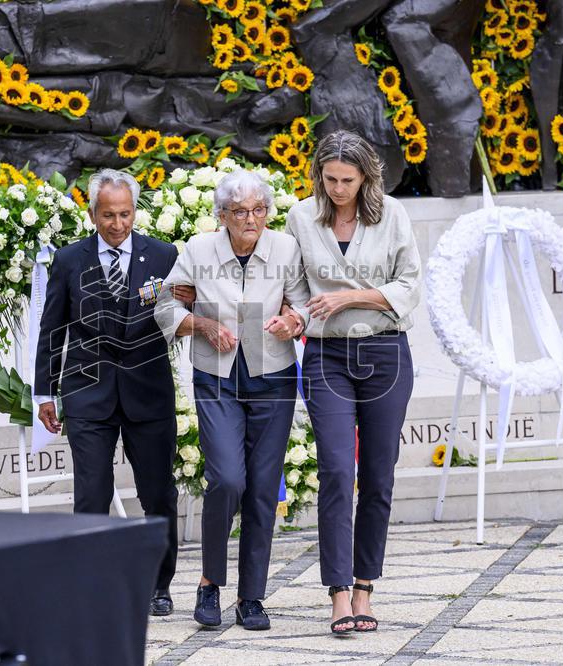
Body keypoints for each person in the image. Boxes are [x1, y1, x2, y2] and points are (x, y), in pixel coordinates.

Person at [154, 170, 310, 631]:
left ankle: (251, 597)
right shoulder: (199, 251)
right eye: (239, 211)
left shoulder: (284, 248)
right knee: (226, 479)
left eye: (258, 210)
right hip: (217, 380)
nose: (250, 220)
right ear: (221, 215)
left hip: (273, 379)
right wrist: (201, 326)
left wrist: (292, 321)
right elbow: (167, 305)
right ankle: (209, 582)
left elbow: (300, 302)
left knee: (263, 488)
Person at [283, 129, 421, 634]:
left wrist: (349, 297)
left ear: (366, 177)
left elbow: (409, 285)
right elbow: (297, 291)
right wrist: (293, 320)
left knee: (379, 475)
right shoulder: (301, 216)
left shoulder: (393, 215)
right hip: (326, 357)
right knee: (338, 471)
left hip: (386, 353)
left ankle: (365, 587)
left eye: (347, 180)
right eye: (330, 178)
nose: (337, 188)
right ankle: (338, 593)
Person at [34, 168, 180, 617]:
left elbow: (178, 314)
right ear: (93, 213)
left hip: (148, 393)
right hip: (87, 393)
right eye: (108, 215)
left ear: (135, 211)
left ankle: (159, 585)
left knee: (158, 493)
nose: (118, 225)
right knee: (91, 492)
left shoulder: (164, 255)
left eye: (126, 214)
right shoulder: (68, 259)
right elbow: (51, 328)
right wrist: (45, 393)